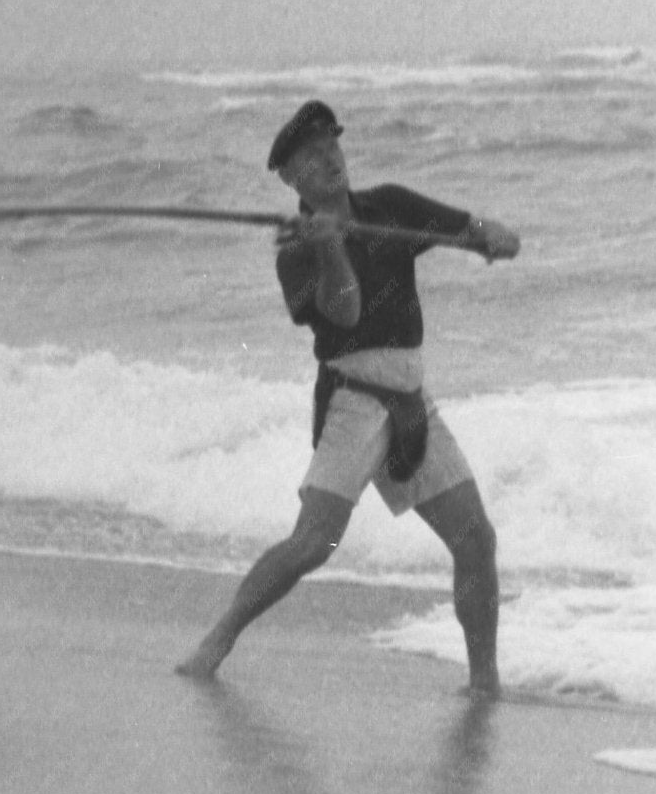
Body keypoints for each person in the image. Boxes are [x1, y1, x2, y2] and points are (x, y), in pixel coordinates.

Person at [176, 98, 520, 693]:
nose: (329, 159)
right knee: (316, 543)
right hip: (354, 401)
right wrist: (328, 246)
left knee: (475, 537)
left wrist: (488, 237)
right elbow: (346, 310)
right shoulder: (295, 255)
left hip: (413, 399)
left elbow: (480, 234)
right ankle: (220, 636)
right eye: (311, 157)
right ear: (290, 179)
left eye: (332, 146)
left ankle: (485, 682)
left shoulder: (389, 206)